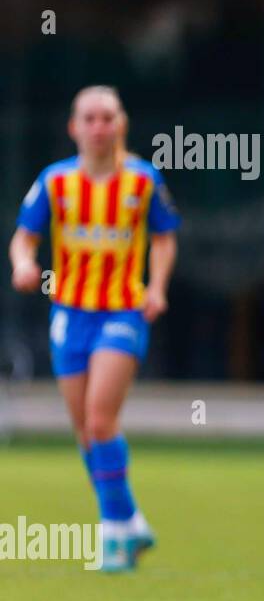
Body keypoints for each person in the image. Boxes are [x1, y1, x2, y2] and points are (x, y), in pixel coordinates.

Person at [8, 85, 180, 572]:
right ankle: (131, 520)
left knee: (101, 420)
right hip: (69, 314)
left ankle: (113, 534)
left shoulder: (143, 181)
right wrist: (24, 264)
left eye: (108, 117)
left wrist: (158, 285)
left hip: (123, 312)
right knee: (85, 429)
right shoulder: (56, 182)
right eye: (90, 118)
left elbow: (164, 239)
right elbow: (25, 237)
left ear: (121, 124)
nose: (99, 126)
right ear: (74, 127)